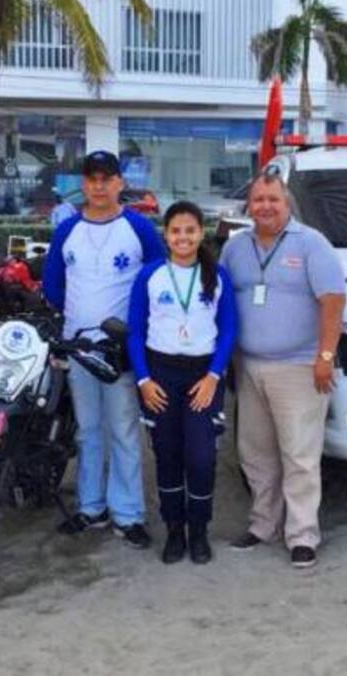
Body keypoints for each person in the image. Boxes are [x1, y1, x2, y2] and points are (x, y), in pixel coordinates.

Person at [219, 170, 345, 568]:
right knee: (255, 454)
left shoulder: (312, 244)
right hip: (249, 366)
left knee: (299, 455)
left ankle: (302, 535)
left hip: (300, 367)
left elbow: (333, 301)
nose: (265, 207)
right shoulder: (235, 248)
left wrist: (325, 357)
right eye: (258, 200)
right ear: (248, 205)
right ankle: (263, 525)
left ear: (286, 202)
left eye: (273, 199)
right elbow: (220, 300)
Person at [44, 150, 164, 549]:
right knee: (88, 430)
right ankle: (91, 506)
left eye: (106, 179)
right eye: (92, 179)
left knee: (123, 430)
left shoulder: (139, 228)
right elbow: (53, 285)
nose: (99, 186)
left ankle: (128, 514)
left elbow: (157, 279)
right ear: (83, 184)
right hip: (78, 347)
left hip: (119, 349)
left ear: (119, 183)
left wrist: (137, 329)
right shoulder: (67, 230)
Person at [127, 201, 238, 565]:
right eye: (176, 231)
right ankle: (175, 530)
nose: (183, 237)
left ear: (201, 233)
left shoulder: (217, 275)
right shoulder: (150, 275)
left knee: (202, 458)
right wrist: (144, 380)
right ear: (166, 235)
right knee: (168, 455)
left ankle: (199, 530)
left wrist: (213, 376)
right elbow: (135, 332)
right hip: (160, 376)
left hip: (203, 376)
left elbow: (228, 330)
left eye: (190, 230)